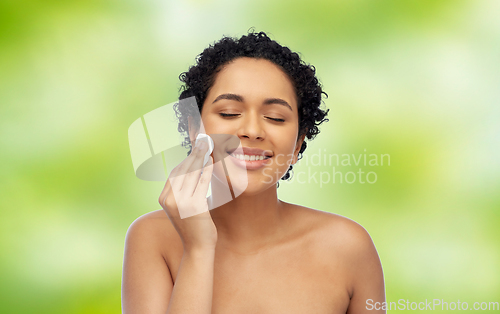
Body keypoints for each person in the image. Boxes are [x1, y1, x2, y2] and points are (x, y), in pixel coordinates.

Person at [121, 31, 386, 314]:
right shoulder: (152, 238)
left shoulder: (349, 247)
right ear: (194, 129)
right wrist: (198, 250)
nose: (252, 131)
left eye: (275, 118)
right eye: (229, 113)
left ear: (298, 143)